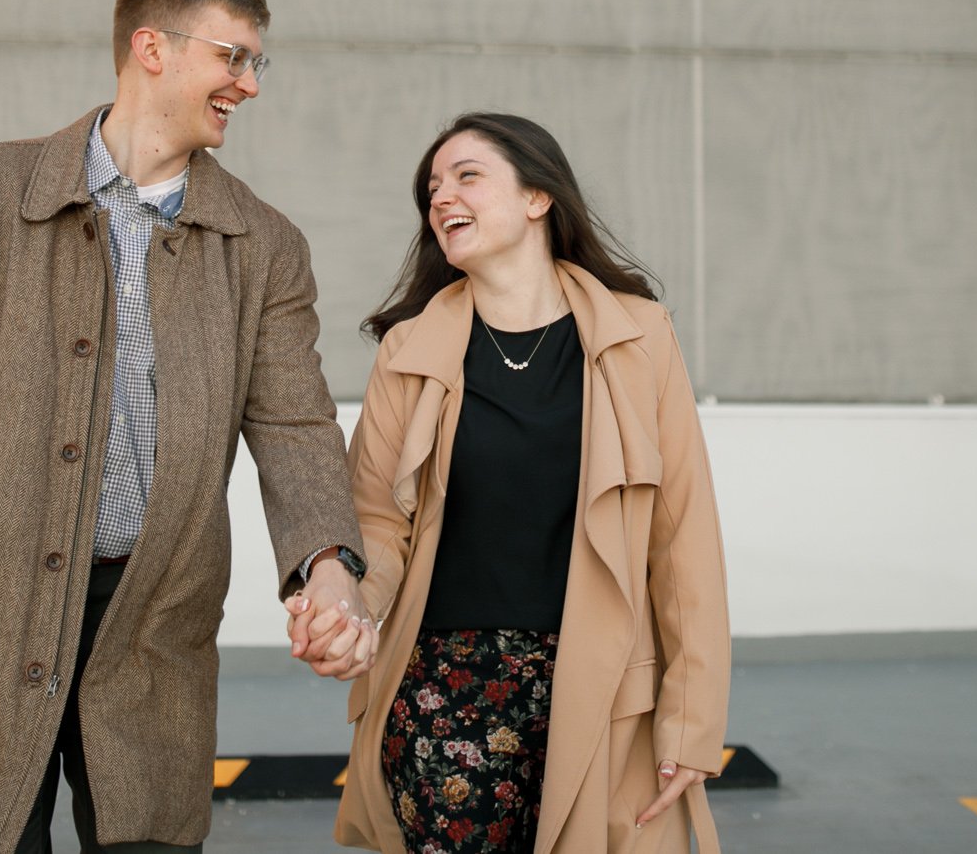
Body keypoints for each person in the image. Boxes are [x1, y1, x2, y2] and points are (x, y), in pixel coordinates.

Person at [0, 0, 377, 854]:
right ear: (153, 48)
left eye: (257, 62)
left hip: (154, 627)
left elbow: (295, 424)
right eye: (233, 57)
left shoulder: (264, 246)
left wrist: (331, 568)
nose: (249, 84)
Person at [305, 113, 730, 854]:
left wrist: (692, 724)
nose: (440, 197)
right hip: (442, 694)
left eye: (466, 175)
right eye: (431, 188)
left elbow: (682, 542)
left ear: (539, 197)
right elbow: (378, 521)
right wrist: (354, 610)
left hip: (603, 690)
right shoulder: (409, 351)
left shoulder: (639, 338)